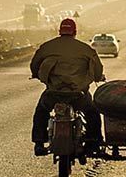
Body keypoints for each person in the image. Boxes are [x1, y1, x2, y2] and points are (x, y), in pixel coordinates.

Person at [29, 17, 105, 156]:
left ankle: (39, 143)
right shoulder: (85, 48)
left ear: (60, 31)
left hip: (54, 92)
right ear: (75, 32)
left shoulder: (48, 46)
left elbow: (34, 64)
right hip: (78, 94)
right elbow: (98, 67)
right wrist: (98, 77)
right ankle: (92, 142)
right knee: (92, 113)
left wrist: (36, 74)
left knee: (41, 111)